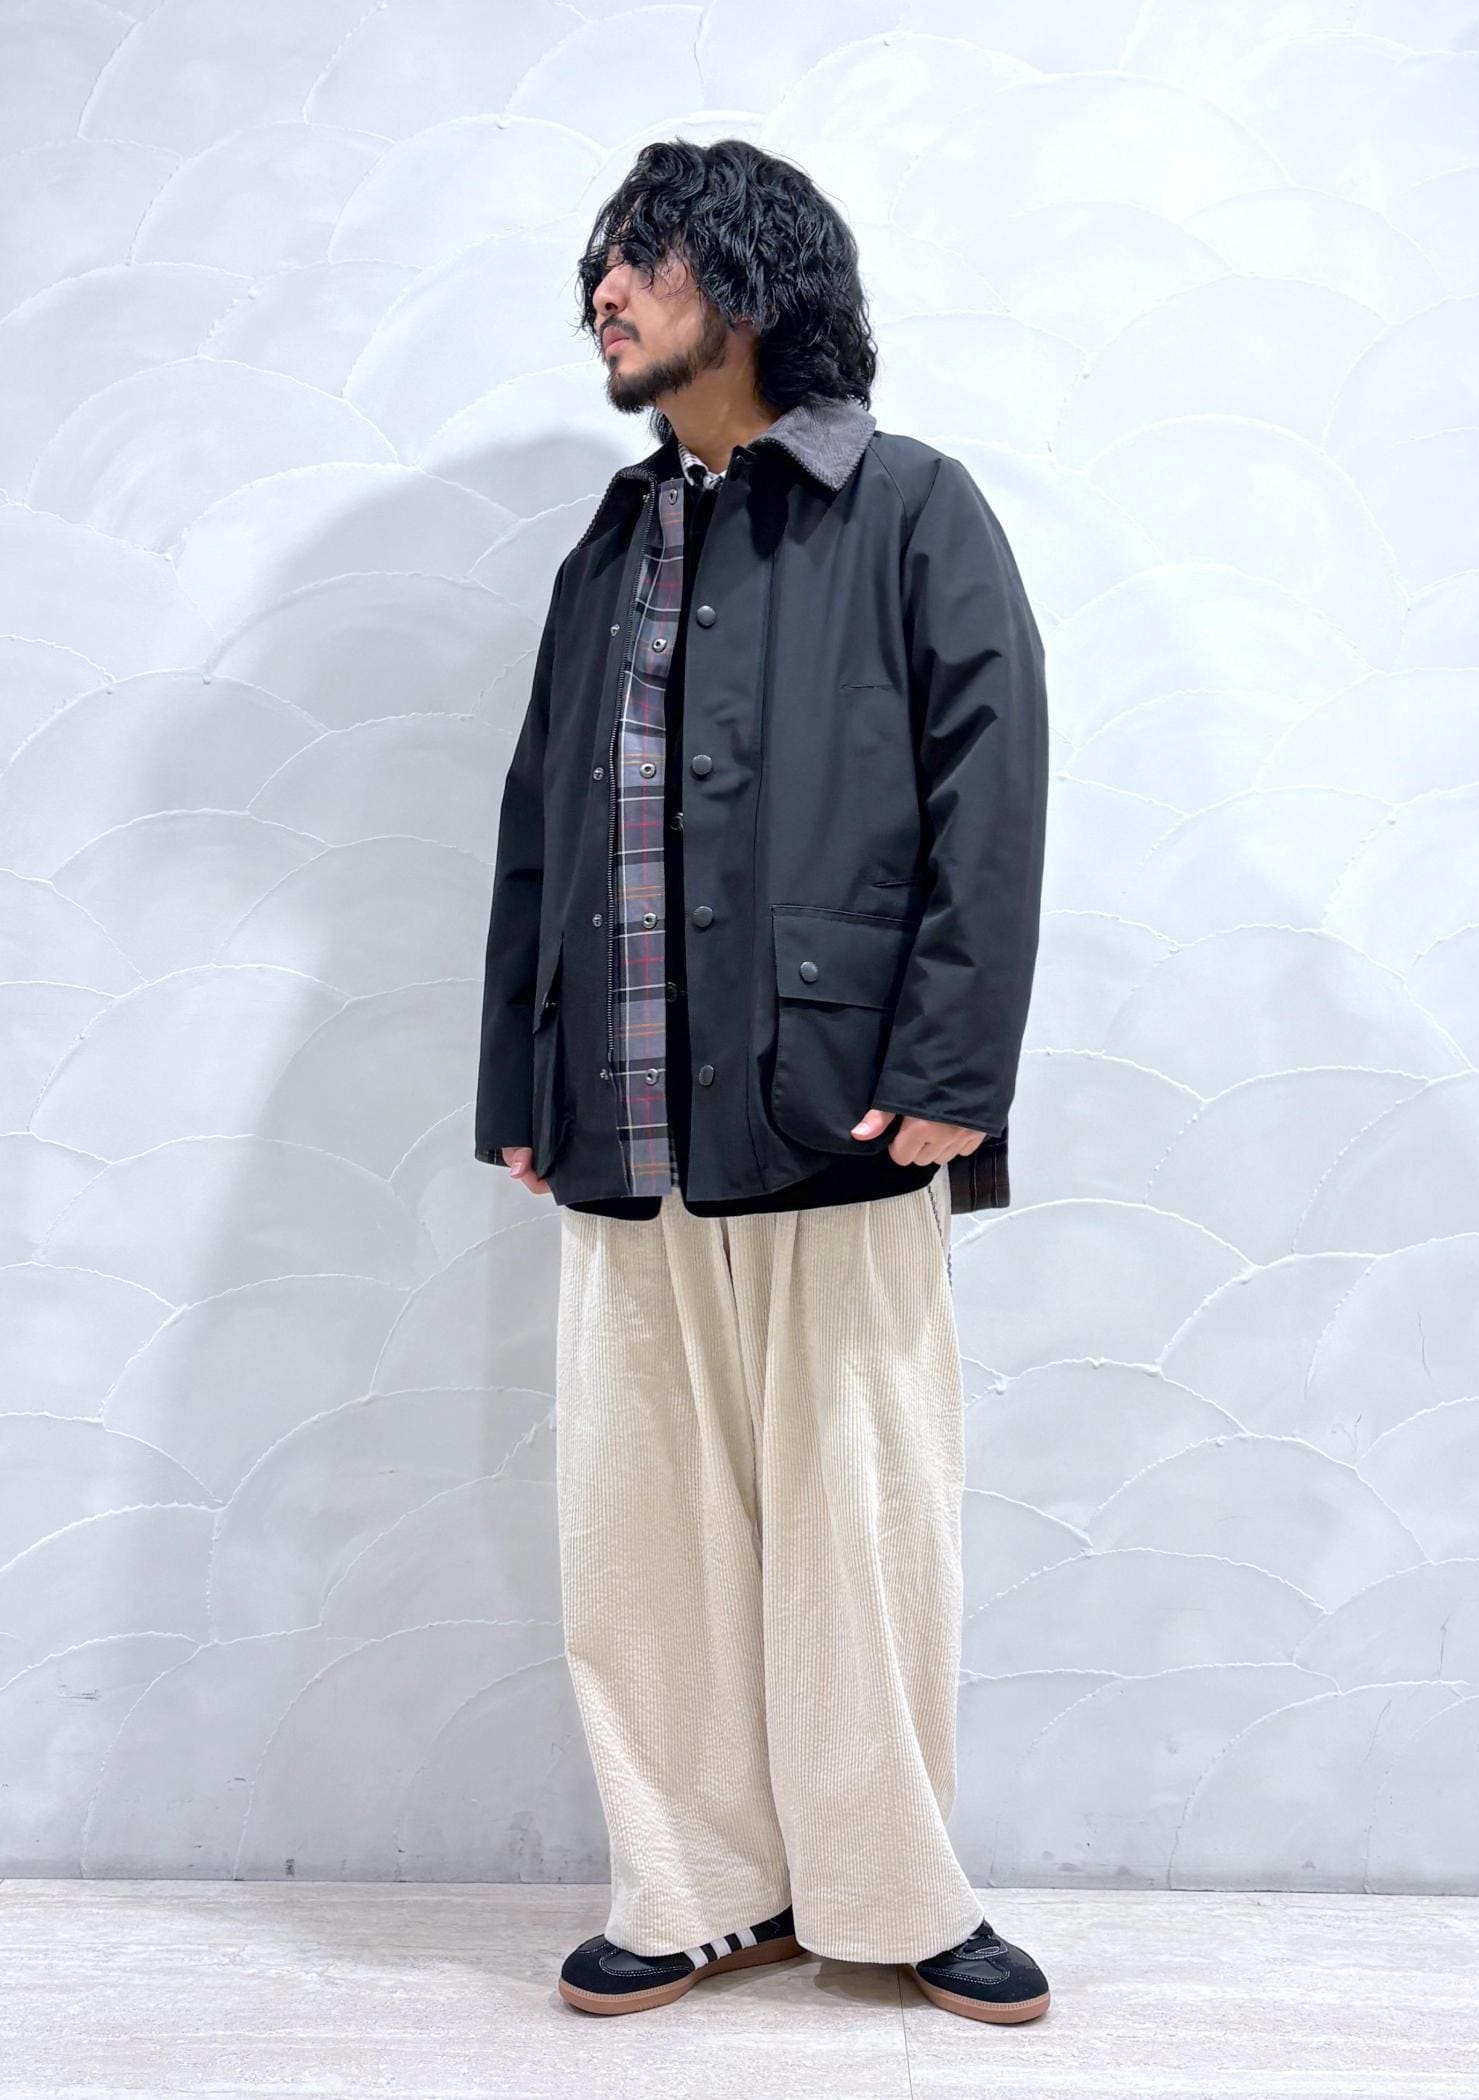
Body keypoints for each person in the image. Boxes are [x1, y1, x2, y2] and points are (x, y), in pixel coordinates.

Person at [475, 138, 1050, 2026]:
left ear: (747, 278)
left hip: (843, 1111)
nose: (603, 295)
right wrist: (521, 1077)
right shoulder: (610, 543)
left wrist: (956, 1065)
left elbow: (992, 796)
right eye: (600, 269)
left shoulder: (911, 507)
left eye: (638, 259)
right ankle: (696, 1887)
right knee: (638, 1542)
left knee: (860, 1525)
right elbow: (539, 828)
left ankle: (891, 1891)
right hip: (624, 1121)